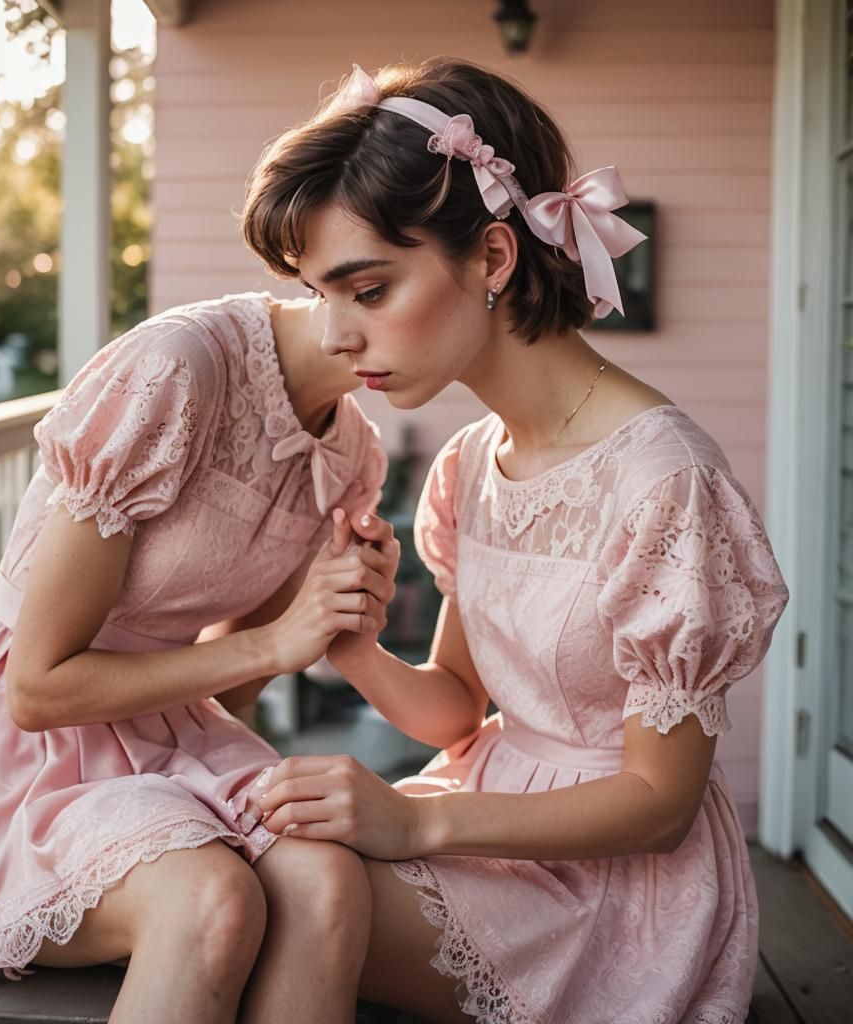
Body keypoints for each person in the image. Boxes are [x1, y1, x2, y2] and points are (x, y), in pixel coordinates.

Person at [241, 59, 790, 1024]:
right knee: (263, 858)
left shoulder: (665, 483)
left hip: (616, 888)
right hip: (485, 812)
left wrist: (418, 822)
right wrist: (354, 648)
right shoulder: (469, 465)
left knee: (300, 892)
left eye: (368, 290)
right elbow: (458, 707)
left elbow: (661, 804)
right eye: (323, 296)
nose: (334, 337)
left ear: (493, 256)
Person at [0, 290, 396, 1024]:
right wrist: (276, 642)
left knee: (327, 880)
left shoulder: (351, 456)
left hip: (168, 733)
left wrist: (330, 617)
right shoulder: (178, 366)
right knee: (211, 900)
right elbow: (36, 691)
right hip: (16, 747)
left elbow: (235, 684)